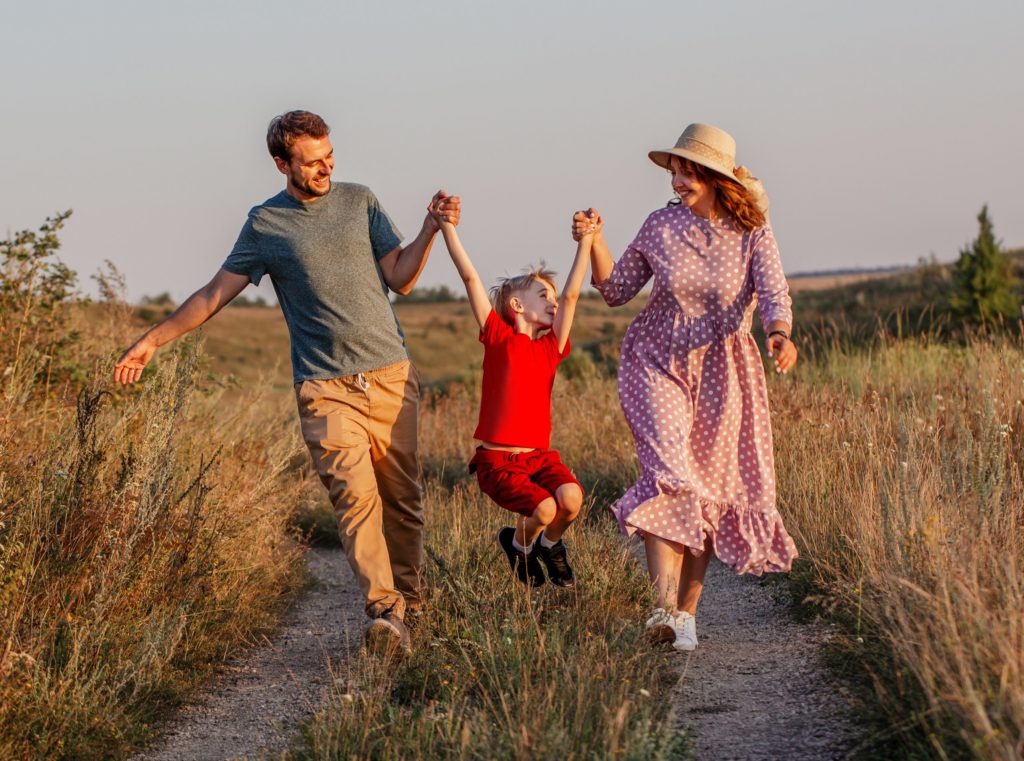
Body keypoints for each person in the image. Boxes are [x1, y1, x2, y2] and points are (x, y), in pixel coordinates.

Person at [113, 110, 461, 655]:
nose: (325, 168)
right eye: (312, 161)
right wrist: (153, 340)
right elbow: (212, 295)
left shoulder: (359, 200)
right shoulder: (265, 225)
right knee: (354, 498)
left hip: (391, 376)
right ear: (282, 164)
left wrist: (430, 229)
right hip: (324, 387)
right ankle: (385, 611)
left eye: (329, 157)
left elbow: (401, 277)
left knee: (402, 500)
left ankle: (413, 603)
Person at [572, 123, 799, 651]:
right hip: (655, 361)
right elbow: (616, 289)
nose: (676, 180)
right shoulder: (660, 226)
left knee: (708, 492)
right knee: (670, 476)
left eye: (686, 171)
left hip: (725, 372)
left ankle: (685, 617)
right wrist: (596, 241)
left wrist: (780, 335)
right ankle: (660, 609)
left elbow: (774, 292)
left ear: (715, 176)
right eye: (673, 170)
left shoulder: (753, 232)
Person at [436, 210, 591, 587]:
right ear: (517, 306)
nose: (553, 303)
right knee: (544, 508)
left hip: (538, 458)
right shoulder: (497, 337)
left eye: (553, 298)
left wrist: (585, 240)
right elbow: (470, 277)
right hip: (498, 462)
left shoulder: (552, 348)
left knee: (571, 499)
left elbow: (571, 296)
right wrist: (447, 228)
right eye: (543, 296)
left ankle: (550, 547)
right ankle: (518, 547)